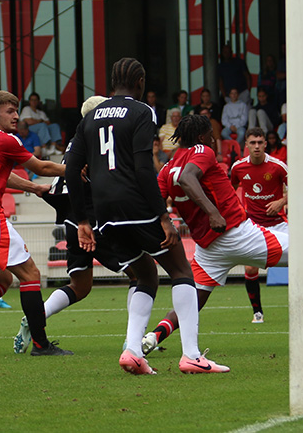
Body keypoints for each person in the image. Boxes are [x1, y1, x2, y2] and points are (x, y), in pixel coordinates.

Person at [143, 115, 303, 355]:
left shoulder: (167, 167)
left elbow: (154, 198)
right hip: (236, 233)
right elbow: (188, 178)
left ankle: (154, 336)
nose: (214, 140)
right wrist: (213, 213)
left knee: (195, 298)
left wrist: (166, 222)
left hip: (209, 247)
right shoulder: (203, 152)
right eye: (210, 135)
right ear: (200, 137)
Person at [64, 57, 220, 375]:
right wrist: (162, 215)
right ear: (140, 82)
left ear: (112, 83)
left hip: (104, 212)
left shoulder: (90, 117)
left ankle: (132, 351)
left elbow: (70, 170)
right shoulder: (141, 111)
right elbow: (142, 167)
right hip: (134, 204)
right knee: (180, 270)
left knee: (146, 275)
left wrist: (82, 219)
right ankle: (191, 354)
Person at [12, 95, 138, 354]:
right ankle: (133, 341)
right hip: (93, 219)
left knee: (81, 286)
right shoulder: (101, 140)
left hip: (72, 217)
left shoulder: (74, 142)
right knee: (140, 275)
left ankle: (37, 317)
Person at [0, 90, 69, 358]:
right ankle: (41, 344)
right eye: (10, 111)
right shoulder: (5, 140)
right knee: (30, 275)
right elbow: (42, 166)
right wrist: (77, 168)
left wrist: (33, 187)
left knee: (2, 278)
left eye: (17, 110)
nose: (16, 116)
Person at [229, 128, 289, 323]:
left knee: (301, 263)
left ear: (265, 144)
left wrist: (281, 202)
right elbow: (229, 192)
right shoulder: (238, 168)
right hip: (254, 227)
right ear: (246, 144)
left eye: (260, 142)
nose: (256, 146)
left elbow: (299, 186)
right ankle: (258, 313)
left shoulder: (277, 166)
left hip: (279, 224)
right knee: (250, 270)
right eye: (252, 143)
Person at [18, 92, 62, 156]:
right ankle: (44, 149)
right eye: (32, 100)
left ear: (38, 101)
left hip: (42, 128)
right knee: (42, 126)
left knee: (54, 126)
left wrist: (36, 121)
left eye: (35, 100)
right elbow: (28, 121)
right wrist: (40, 121)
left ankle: (53, 148)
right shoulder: (26, 109)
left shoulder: (41, 112)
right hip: (29, 129)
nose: (33, 102)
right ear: (29, 101)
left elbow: (48, 123)